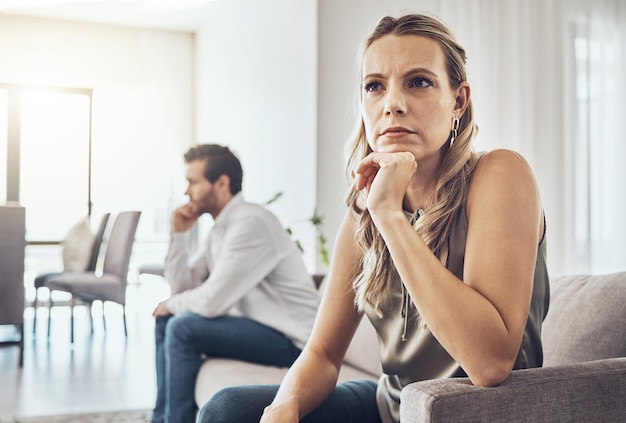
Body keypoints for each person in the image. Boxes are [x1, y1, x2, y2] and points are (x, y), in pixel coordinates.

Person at [196, 13, 549, 423]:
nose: (392, 104)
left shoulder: (499, 175)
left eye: (418, 82)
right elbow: (324, 353)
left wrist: (389, 216)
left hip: (469, 412)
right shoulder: (366, 212)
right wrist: (284, 406)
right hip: (390, 409)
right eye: (374, 86)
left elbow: (489, 364)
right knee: (229, 410)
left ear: (458, 100)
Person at [150, 144, 320, 423]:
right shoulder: (220, 228)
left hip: (294, 341)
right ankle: (161, 418)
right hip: (261, 329)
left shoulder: (251, 222)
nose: (186, 192)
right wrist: (178, 235)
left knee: (182, 326)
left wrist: (170, 304)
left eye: (192, 182)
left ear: (222, 183)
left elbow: (212, 300)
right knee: (167, 322)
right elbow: (184, 288)